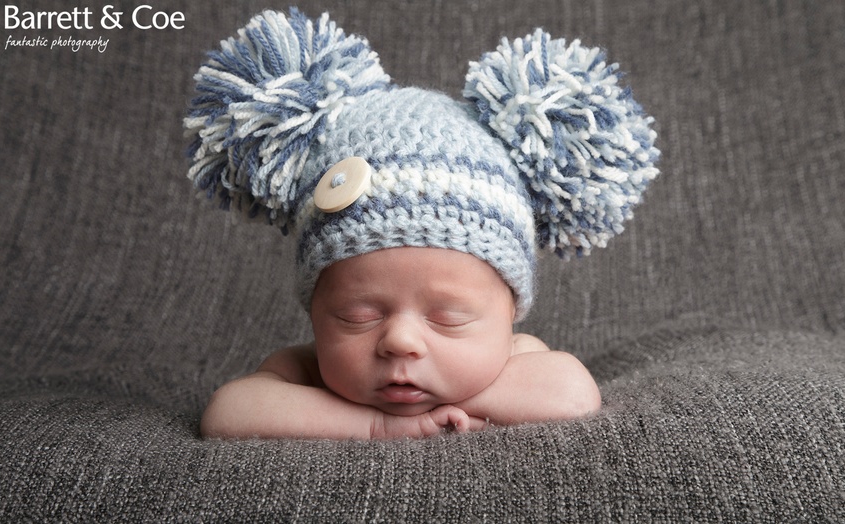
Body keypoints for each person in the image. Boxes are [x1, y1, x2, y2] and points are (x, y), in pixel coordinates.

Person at [184, 9, 659, 439]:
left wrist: (458, 393)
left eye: (449, 318)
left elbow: (573, 397)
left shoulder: (517, 357)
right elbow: (227, 413)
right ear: (315, 311)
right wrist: (375, 424)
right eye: (356, 317)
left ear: (509, 313)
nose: (400, 342)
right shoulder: (302, 369)